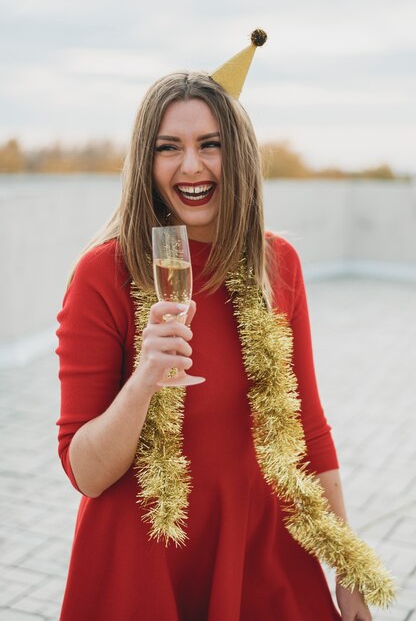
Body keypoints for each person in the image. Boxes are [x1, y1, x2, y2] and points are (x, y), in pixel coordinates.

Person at [56, 31, 394, 621]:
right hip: (144, 554)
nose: (192, 166)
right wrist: (143, 380)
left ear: (236, 153)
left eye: (210, 144)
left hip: (257, 543)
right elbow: (85, 472)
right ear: (146, 162)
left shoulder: (276, 263)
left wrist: (347, 565)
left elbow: (309, 427)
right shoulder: (104, 273)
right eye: (170, 147)